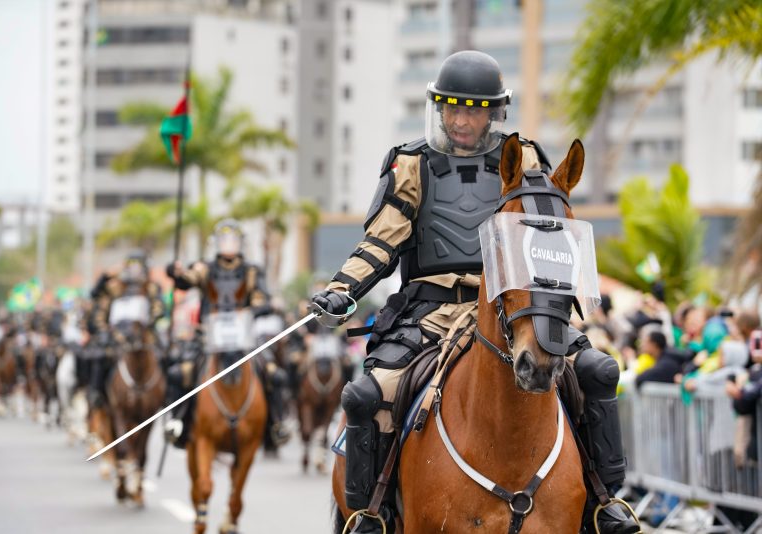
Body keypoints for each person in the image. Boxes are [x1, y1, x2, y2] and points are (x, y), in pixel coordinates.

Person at [312, 50, 639, 534]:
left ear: (493, 113)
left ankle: (606, 503)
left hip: (515, 306)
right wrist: (341, 289)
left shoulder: (524, 158)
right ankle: (368, 514)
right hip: (430, 311)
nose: (463, 119)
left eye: (475, 109)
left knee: (595, 371)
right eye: (453, 108)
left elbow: (547, 228)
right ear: (439, 110)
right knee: (368, 394)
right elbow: (382, 238)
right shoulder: (411, 164)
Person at [164, 218, 290, 448]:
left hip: (243, 340)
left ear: (240, 243)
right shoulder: (205, 268)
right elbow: (185, 281)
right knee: (178, 372)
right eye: (224, 239)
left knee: (275, 374)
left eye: (233, 239)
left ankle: (277, 424)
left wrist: (253, 310)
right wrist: (175, 271)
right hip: (208, 339)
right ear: (216, 243)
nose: (228, 244)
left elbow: (262, 300)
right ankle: (177, 422)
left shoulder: (252, 271)